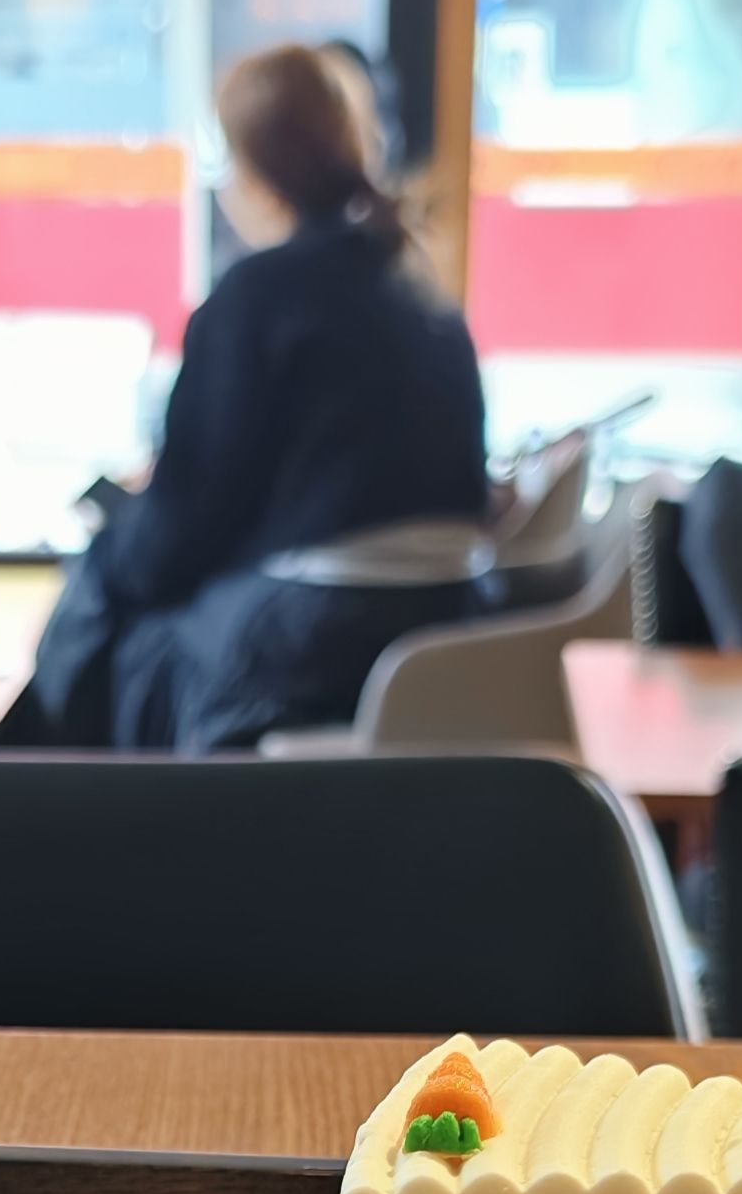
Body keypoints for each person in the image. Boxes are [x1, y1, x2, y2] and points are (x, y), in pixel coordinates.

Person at [25, 45, 493, 754]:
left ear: (250, 170)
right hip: (445, 626)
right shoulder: (419, 287)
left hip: (310, 642)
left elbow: (181, 533)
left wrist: (115, 544)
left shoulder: (257, 298)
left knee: (106, 629)